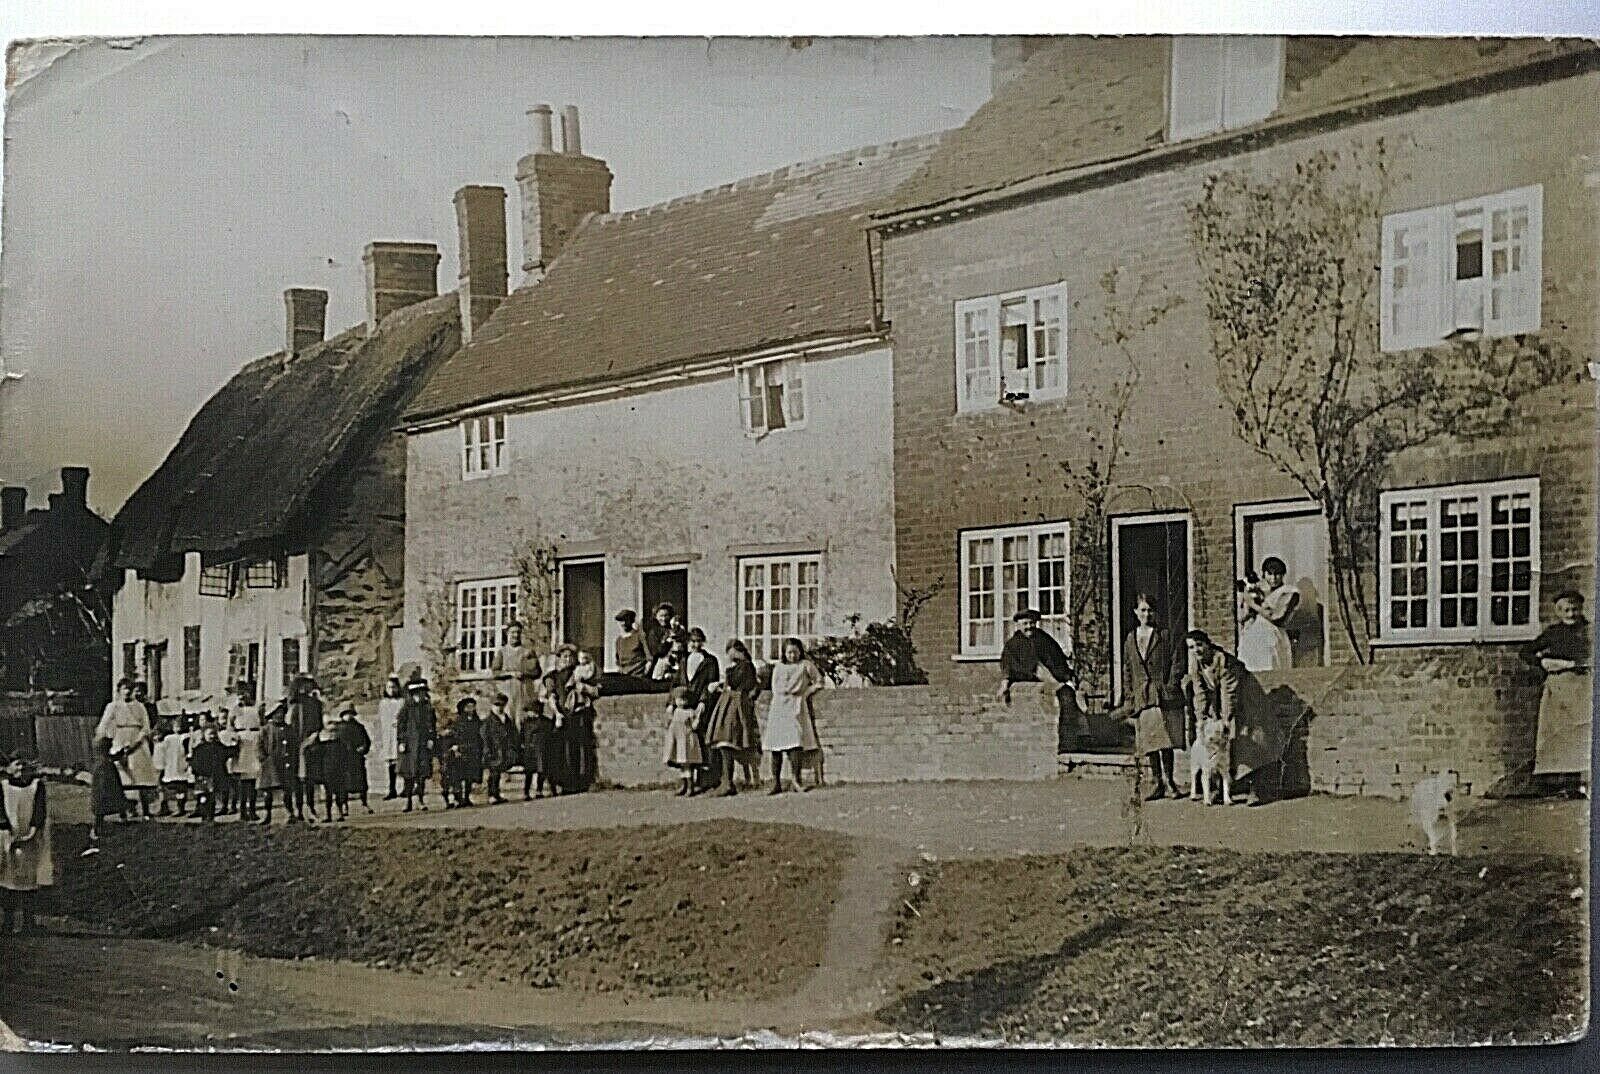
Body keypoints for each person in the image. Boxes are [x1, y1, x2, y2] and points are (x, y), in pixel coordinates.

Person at [1183, 629, 1286, 806]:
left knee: (1247, 739)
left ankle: (1257, 789)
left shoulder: (1223, 660)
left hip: (1247, 699)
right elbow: (1199, 693)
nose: (1196, 650)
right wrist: (1200, 718)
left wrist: (1225, 718)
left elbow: (1228, 692)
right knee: (1217, 745)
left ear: (1208, 644)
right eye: (1192, 647)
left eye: (1199, 645)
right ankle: (1220, 788)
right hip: (1225, 702)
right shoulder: (1196, 664)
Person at [1522, 590, 1592, 797]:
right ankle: (1562, 782)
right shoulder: (1553, 633)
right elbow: (1526, 652)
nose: (1571, 614)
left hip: (1582, 685)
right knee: (1560, 734)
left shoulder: (1589, 631)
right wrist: (1543, 662)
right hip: (1558, 689)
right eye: (1566, 610)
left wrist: (1575, 663)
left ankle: (1583, 781)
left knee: (1582, 732)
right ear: (1558, 611)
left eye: (1574, 609)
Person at [1117, 594, 1186, 800]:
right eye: (1143, 610)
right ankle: (1156, 782)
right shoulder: (1131, 638)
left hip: (1161, 693)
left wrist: (1171, 684)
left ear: (1155, 613)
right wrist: (1130, 694)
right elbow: (1128, 667)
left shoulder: (1165, 635)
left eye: (1150, 610)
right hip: (1142, 695)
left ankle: (1169, 781)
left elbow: (1177, 661)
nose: (1146, 614)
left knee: (1165, 739)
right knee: (1150, 741)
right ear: (1136, 612)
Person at [998, 609, 1086, 752]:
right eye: (1025, 623)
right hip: (1035, 680)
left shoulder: (1044, 639)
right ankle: (1066, 745)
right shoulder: (1012, 645)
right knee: (1064, 699)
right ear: (1018, 625)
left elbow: (1057, 659)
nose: (1029, 626)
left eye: (1032, 623)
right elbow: (1008, 665)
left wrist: (1067, 677)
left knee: (1071, 698)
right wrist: (1006, 682)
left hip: (1056, 679)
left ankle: (1074, 741)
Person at [763, 637, 825, 794]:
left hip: (795, 706)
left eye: (795, 652)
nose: (792, 656)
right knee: (776, 746)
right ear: (784, 653)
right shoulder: (778, 668)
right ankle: (775, 782)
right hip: (778, 707)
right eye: (789, 652)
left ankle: (796, 780)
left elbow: (819, 681)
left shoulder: (805, 666)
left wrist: (807, 692)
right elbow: (775, 687)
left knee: (795, 743)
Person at [0, 757, 54, 934]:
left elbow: (39, 811)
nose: (21, 768)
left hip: (31, 838)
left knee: (28, 880)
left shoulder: (36, 786)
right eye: (17, 764)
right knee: (7, 879)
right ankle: (7, 922)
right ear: (8, 768)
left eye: (25, 765)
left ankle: (28, 922)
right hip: (8, 838)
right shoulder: (3, 787)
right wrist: (8, 833)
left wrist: (31, 832)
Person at [705, 639, 762, 796]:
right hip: (727, 704)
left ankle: (728, 783)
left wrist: (726, 679)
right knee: (723, 742)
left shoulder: (746, 666)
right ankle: (726, 781)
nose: (728, 655)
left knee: (727, 741)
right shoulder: (737, 667)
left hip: (735, 706)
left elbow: (740, 685)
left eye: (729, 651)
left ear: (736, 650)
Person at [95, 678, 159, 818]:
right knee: (121, 778)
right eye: (124, 689)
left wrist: (135, 742)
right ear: (119, 691)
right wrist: (107, 740)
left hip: (138, 742)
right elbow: (103, 726)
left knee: (141, 778)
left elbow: (146, 728)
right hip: (119, 740)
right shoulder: (112, 706)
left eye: (129, 689)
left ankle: (146, 811)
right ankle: (124, 810)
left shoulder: (140, 706)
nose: (127, 692)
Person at [1238, 557, 1298, 673]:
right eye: (1269, 574)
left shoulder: (1288, 592)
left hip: (1273, 635)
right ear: (1264, 575)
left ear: (1283, 575)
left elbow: (1277, 617)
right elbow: (1244, 617)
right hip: (1254, 637)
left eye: (1277, 574)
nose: (1273, 578)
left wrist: (1253, 604)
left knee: (1271, 666)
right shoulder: (1260, 591)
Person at [285, 677, 324, 822]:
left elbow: (319, 725)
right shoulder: (292, 705)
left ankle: (311, 808)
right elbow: (289, 725)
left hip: (311, 744)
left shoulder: (315, 704)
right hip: (294, 745)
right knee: (295, 780)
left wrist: (312, 737)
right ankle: (297, 810)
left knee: (310, 779)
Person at [397, 675, 437, 813]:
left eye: (423, 693)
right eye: (419, 693)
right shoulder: (406, 709)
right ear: (413, 694)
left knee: (421, 775)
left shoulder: (428, 708)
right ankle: (408, 801)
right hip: (409, 746)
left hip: (423, 745)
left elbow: (432, 725)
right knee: (409, 775)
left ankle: (420, 800)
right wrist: (401, 741)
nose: (421, 696)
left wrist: (431, 738)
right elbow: (401, 726)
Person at [303, 718, 353, 822]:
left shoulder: (340, 741)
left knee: (338, 792)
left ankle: (338, 812)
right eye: (330, 723)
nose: (333, 727)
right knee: (329, 792)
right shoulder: (321, 741)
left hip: (338, 769)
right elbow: (311, 752)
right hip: (327, 770)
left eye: (335, 724)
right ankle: (329, 814)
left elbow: (346, 755)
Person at [494, 624, 543, 724]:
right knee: (508, 719)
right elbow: (495, 672)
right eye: (513, 632)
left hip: (524, 690)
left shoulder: (528, 651)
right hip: (508, 691)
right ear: (507, 634)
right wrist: (511, 673)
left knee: (523, 719)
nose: (516, 635)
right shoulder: (502, 652)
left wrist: (525, 672)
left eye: (518, 632)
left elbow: (537, 672)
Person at [662, 685, 705, 795]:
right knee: (682, 764)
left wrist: (694, 723)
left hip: (686, 741)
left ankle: (690, 786)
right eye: (678, 700)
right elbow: (670, 724)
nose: (681, 702)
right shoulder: (676, 712)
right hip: (678, 741)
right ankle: (684, 785)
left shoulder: (689, 712)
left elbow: (694, 725)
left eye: (683, 700)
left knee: (687, 765)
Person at [188, 725, 233, 823]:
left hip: (214, 775)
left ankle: (210, 817)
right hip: (203, 776)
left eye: (213, 734)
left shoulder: (219, 746)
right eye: (209, 734)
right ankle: (204, 817)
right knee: (203, 797)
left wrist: (233, 745)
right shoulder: (199, 748)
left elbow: (227, 754)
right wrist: (196, 772)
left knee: (212, 797)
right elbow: (194, 762)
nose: (211, 736)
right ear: (204, 735)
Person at [333, 704, 373, 813]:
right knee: (343, 784)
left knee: (362, 783)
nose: (348, 716)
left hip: (357, 758)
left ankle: (364, 803)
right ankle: (344, 805)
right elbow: (334, 744)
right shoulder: (338, 729)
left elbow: (367, 741)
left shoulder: (359, 727)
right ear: (342, 715)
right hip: (343, 760)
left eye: (350, 713)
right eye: (346, 714)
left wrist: (363, 748)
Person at [256, 707, 293, 824]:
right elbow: (258, 746)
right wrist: (264, 759)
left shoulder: (288, 728)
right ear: (271, 715)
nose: (280, 716)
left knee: (286, 790)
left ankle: (290, 813)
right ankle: (267, 815)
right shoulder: (266, 729)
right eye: (277, 714)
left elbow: (293, 745)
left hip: (284, 763)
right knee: (268, 791)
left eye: (282, 713)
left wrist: (291, 758)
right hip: (270, 764)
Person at [89, 735, 130, 840]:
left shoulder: (104, 760)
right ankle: (97, 829)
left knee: (115, 799)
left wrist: (121, 752)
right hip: (106, 783)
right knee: (105, 803)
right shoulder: (103, 763)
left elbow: (113, 757)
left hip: (109, 781)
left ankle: (122, 819)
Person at [518, 694, 557, 800]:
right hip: (529, 750)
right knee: (529, 772)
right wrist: (522, 745)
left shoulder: (545, 722)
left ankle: (539, 790)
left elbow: (550, 736)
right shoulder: (525, 722)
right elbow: (522, 735)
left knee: (541, 771)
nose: (528, 713)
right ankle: (526, 792)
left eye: (529, 711)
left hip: (541, 750)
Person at [481, 693, 518, 804]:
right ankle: (491, 795)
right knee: (493, 774)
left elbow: (513, 733)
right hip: (493, 751)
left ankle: (497, 794)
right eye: (497, 705)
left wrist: (513, 747)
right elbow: (484, 736)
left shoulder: (507, 719)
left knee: (499, 773)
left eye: (502, 705)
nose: (499, 707)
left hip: (504, 750)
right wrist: (487, 750)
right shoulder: (488, 721)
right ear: (492, 706)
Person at [229, 703, 263, 822]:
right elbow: (230, 725)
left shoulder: (256, 708)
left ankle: (252, 810)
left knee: (252, 782)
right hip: (242, 743)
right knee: (243, 782)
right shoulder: (235, 708)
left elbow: (261, 722)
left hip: (254, 741)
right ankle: (243, 811)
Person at [153, 722, 193, 818]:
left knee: (180, 788)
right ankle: (166, 807)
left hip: (179, 765)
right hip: (170, 765)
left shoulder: (184, 738)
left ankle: (180, 808)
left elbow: (188, 751)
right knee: (167, 787)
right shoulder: (168, 739)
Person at [376, 674, 406, 800]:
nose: (391, 690)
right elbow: (381, 721)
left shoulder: (402, 702)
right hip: (388, 735)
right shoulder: (383, 703)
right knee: (391, 763)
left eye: (394, 687)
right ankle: (392, 788)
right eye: (389, 687)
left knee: (402, 760)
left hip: (399, 734)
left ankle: (406, 787)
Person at [451, 697, 485, 808]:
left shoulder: (476, 720)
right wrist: (456, 747)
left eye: (473, 706)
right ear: (464, 708)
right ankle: (459, 798)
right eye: (469, 706)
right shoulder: (459, 721)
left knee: (470, 776)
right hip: (462, 750)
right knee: (459, 775)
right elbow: (455, 735)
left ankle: (467, 797)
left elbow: (480, 735)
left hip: (473, 751)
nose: (471, 709)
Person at [614, 609, 650, 678]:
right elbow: (618, 661)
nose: (623, 623)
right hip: (624, 677)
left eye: (626, 620)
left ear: (632, 621)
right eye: (621, 620)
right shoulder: (619, 640)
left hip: (638, 676)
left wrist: (644, 674)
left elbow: (649, 658)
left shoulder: (640, 636)